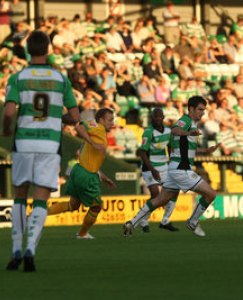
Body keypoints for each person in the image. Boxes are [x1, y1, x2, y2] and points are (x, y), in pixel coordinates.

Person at [2, 30, 102, 272]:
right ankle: (30, 251)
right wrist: (57, 116)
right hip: (49, 144)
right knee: (41, 197)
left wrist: (6, 130)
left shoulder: (17, 78)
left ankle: (16, 249)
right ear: (48, 50)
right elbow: (76, 117)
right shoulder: (61, 79)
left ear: (27, 50)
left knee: (19, 194)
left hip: (24, 141)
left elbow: (8, 112)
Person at [123, 96, 220, 237]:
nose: (202, 113)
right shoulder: (186, 121)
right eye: (199, 109)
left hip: (175, 168)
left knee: (160, 200)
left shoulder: (191, 124)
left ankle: (132, 222)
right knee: (210, 194)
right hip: (182, 169)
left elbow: (183, 146)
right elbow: (175, 130)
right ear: (191, 109)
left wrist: (205, 151)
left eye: (203, 110)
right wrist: (188, 133)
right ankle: (192, 221)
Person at [47, 108, 116, 239]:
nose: (112, 123)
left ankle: (39, 214)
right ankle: (82, 233)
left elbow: (91, 158)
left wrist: (104, 177)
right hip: (86, 175)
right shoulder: (98, 127)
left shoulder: (96, 129)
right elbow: (78, 126)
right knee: (96, 207)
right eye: (110, 119)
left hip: (79, 170)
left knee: (73, 205)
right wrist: (92, 142)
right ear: (101, 120)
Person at [137, 108, 179, 233]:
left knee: (174, 190)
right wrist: (153, 169)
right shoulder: (148, 132)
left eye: (160, 116)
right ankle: (144, 220)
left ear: (163, 117)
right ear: (152, 118)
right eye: (156, 117)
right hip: (149, 166)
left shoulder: (168, 131)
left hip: (164, 166)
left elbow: (170, 146)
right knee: (155, 193)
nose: (158, 119)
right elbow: (142, 153)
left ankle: (165, 220)